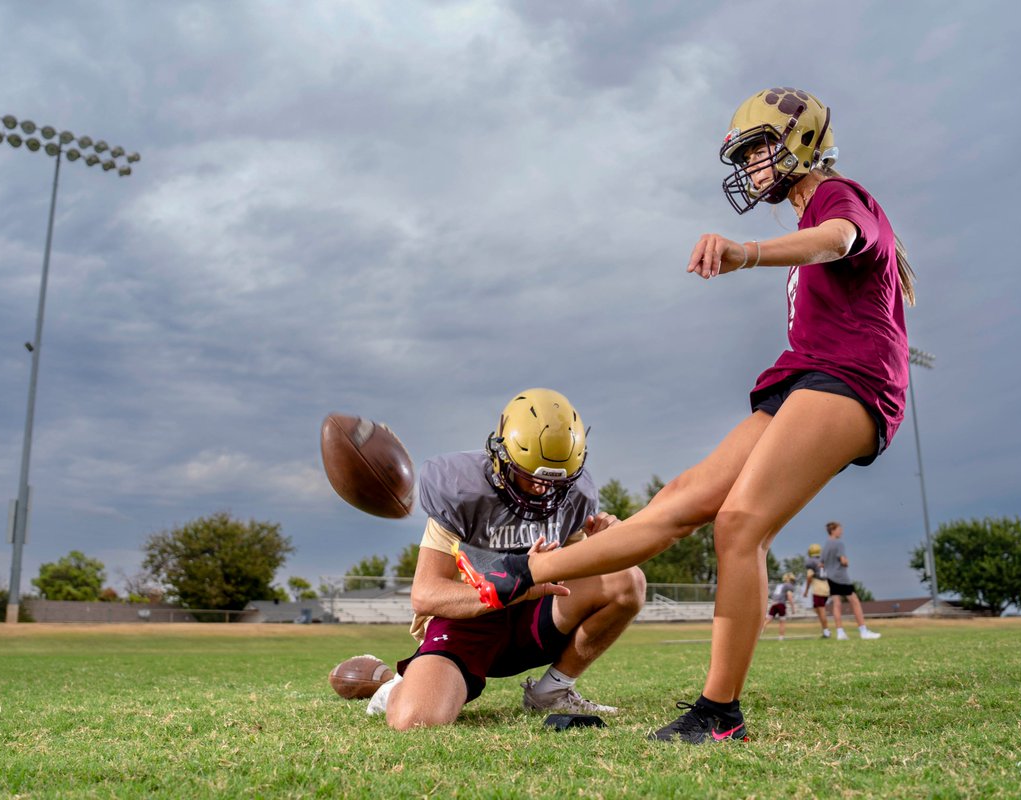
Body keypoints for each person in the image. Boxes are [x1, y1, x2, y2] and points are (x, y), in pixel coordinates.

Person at [452, 87, 914, 743]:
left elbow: (839, 241)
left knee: (739, 524)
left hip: (851, 380)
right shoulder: (810, 217)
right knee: (678, 501)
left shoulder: (842, 198)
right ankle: (520, 573)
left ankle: (719, 714)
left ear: (802, 144)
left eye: (758, 150)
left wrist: (745, 251)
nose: (751, 168)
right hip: (805, 377)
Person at [367, 388, 646, 730]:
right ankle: (400, 685)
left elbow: (575, 569)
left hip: (534, 619)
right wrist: (513, 588)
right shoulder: (462, 490)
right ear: (500, 455)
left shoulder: (577, 495)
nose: (544, 491)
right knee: (415, 720)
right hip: (468, 624)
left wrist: (603, 548)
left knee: (627, 579)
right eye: (531, 477)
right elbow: (425, 594)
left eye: (555, 482)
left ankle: (552, 691)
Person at [823, 521, 881, 640]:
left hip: (830, 577)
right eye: (839, 529)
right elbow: (843, 560)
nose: (841, 531)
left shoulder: (826, 545)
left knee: (836, 604)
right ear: (833, 530)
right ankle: (863, 631)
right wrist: (846, 562)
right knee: (854, 601)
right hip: (841, 577)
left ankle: (840, 633)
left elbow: (821, 563)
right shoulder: (838, 544)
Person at [803, 543, 832, 638]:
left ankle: (826, 632)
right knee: (816, 609)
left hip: (818, 588)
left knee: (821, 610)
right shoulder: (823, 561)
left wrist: (806, 590)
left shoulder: (811, 562)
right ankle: (825, 630)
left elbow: (809, 576)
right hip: (826, 587)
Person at [760, 573, 796, 640]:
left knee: (768, 619)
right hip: (781, 604)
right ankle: (781, 637)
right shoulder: (789, 586)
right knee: (782, 621)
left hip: (774, 603)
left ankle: (759, 632)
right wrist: (793, 608)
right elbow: (789, 596)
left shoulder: (780, 585)